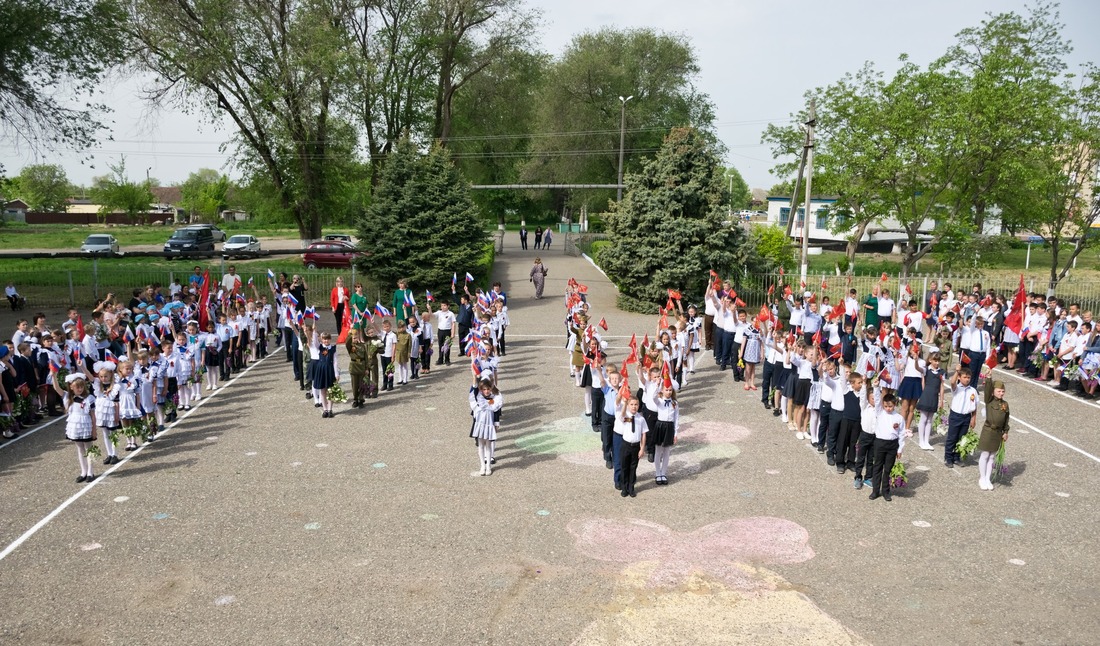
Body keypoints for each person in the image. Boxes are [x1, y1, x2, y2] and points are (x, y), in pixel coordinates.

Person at [868, 393, 905, 501]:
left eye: (890, 406)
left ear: (895, 405)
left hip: (892, 445)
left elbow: (901, 434)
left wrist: (900, 449)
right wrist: (876, 387)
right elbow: (878, 399)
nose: (888, 409)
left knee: (888, 468)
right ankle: (875, 491)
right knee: (877, 467)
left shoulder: (899, 418)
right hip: (880, 443)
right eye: (886, 406)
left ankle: (886, 491)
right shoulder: (879, 413)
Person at [976, 376, 1009, 490]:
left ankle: (987, 478)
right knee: (985, 454)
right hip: (988, 430)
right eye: (999, 391)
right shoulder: (989, 401)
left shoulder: (1005, 404)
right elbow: (987, 389)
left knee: (992, 456)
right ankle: (982, 477)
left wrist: (1005, 431)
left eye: (1003, 391)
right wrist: (989, 378)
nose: (1001, 393)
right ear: (993, 392)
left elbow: (1006, 419)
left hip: (998, 433)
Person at [615, 395, 648, 498]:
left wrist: (642, 448)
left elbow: (644, 434)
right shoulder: (626, 416)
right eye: (632, 404)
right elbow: (621, 415)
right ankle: (624, 488)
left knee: (633, 468)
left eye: (636, 404)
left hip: (635, 446)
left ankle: (631, 487)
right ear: (629, 406)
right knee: (624, 467)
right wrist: (624, 403)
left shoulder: (641, 419)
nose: (634, 407)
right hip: (626, 445)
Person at [469, 374, 503, 476]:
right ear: (481, 390)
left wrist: (496, 424)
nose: (486, 391)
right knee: (480, 445)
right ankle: (482, 466)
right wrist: (475, 378)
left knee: (489, 445)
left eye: (488, 389)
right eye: (484, 389)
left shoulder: (495, 399)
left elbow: (497, 412)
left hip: (489, 424)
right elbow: (474, 390)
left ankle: (488, 466)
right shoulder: (478, 398)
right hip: (480, 424)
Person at [944, 369, 978, 468]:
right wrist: (956, 371)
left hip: (966, 417)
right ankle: (948, 458)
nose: (967, 379)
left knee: (961, 438)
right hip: (956, 416)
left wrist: (973, 418)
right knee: (952, 438)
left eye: (969, 377)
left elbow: (974, 405)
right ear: (959, 377)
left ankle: (957, 457)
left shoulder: (973, 391)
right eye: (964, 377)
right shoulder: (957, 388)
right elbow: (952, 382)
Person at [915, 351, 944, 451]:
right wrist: (916, 360)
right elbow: (918, 368)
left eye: (938, 361)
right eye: (935, 360)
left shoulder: (941, 372)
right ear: (930, 360)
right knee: (923, 418)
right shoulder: (927, 370)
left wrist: (941, 400)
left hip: (934, 397)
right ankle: (921, 440)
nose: (937, 363)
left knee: (930, 419)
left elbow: (941, 387)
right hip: (926, 395)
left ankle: (926, 441)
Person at [651, 382, 679, 486]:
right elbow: (653, 397)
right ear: (662, 390)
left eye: (670, 390)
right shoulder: (659, 401)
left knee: (667, 451)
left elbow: (676, 418)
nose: (668, 392)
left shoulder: (674, 403)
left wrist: (676, 433)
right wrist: (657, 386)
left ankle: (664, 473)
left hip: (669, 427)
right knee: (658, 451)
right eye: (666, 390)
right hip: (660, 426)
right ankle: (658, 473)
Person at [312, 332, 339, 418]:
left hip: (330, 370)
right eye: (324, 339)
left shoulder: (333, 349)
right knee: (322, 391)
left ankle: (330, 409)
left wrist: (336, 373)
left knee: (330, 391)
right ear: (322, 340)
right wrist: (314, 332)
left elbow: (335, 362)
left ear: (330, 339)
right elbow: (315, 342)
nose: (326, 341)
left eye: (327, 339)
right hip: (321, 370)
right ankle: (325, 409)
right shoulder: (320, 347)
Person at [346, 327, 369, 408]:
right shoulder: (350, 346)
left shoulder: (363, 346)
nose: (354, 339)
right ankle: (355, 399)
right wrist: (349, 334)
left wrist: (367, 368)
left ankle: (361, 399)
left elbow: (366, 357)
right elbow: (347, 342)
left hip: (361, 366)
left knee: (361, 384)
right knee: (354, 385)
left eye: (356, 337)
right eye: (353, 338)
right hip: (354, 366)